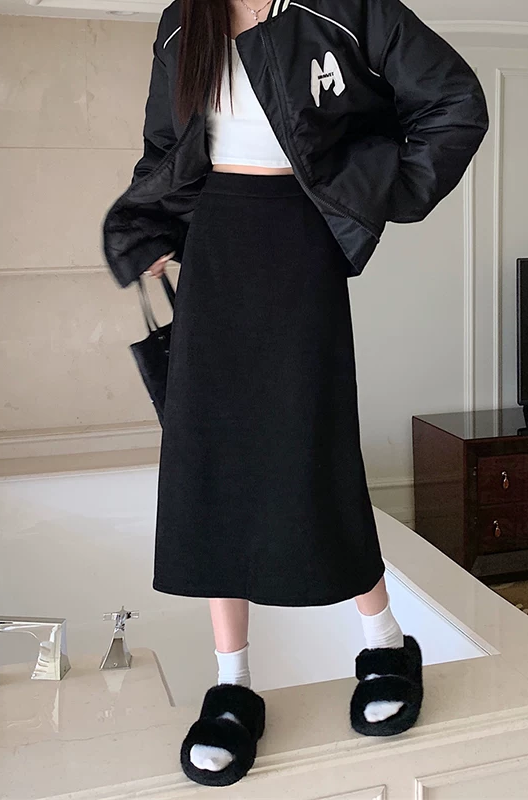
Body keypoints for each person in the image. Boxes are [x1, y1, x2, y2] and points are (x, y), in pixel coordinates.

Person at [102, 0, 488, 787]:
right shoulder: (183, 18)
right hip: (214, 246)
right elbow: (164, 146)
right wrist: (150, 231)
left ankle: (385, 642)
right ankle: (232, 684)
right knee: (210, 463)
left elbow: (455, 102)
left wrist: (380, 188)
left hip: (299, 239)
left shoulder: (344, 7)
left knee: (313, 447)